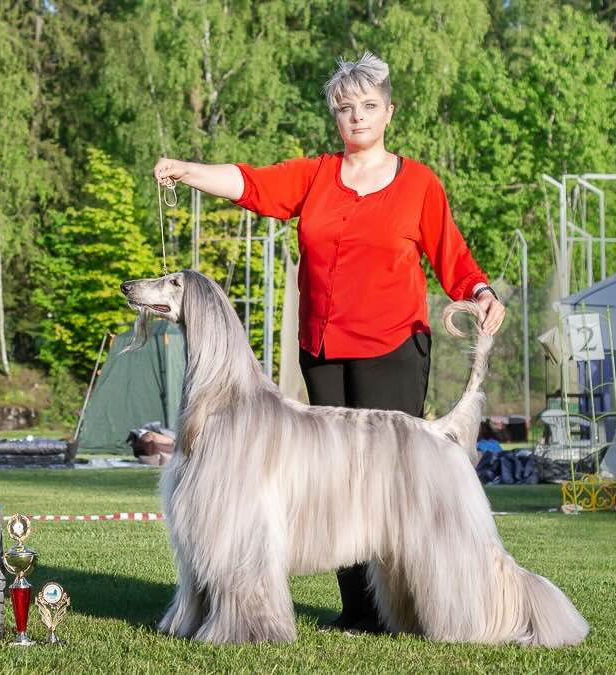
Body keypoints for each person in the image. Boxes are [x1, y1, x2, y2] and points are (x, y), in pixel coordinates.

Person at [153, 52, 506, 633]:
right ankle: (362, 611)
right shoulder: (316, 175)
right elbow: (251, 184)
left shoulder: (419, 183)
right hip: (323, 352)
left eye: (368, 106)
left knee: (396, 489)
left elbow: (453, 255)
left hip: (392, 350)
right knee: (335, 487)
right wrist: (188, 170)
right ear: (335, 117)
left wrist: (481, 292)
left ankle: (425, 603)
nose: (357, 116)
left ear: (389, 112)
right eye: (346, 108)